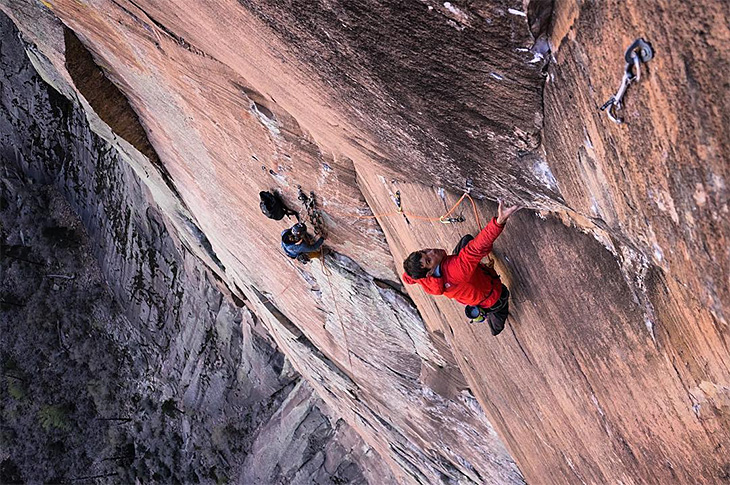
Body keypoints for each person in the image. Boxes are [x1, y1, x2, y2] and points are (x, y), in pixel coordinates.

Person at [401, 201, 521, 336]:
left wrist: (407, 273)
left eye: (425, 251)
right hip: (492, 298)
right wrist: (500, 220)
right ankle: (494, 326)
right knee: (498, 318)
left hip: (466, 288)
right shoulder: (456, 269)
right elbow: (477, 248)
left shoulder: (419, 275)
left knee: (466, 240)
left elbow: (408, 278)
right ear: (429, 272)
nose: (432, 252)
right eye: (429, 260)